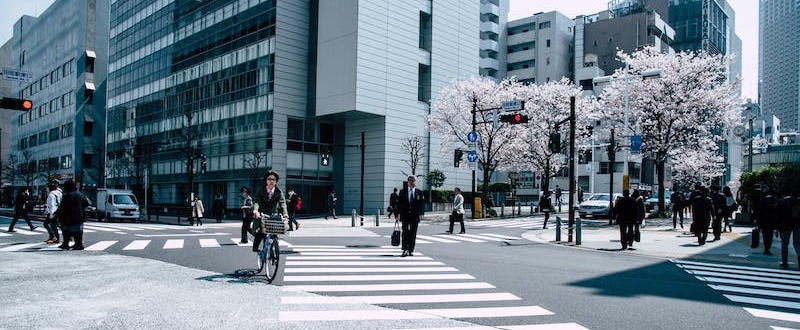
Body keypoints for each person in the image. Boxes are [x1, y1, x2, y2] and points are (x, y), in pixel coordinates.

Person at [251, 170, 289, 252]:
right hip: (261, 214)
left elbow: (282, 203)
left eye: (273, 179)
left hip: (273, 214)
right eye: (269, 179)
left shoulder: (279, 192)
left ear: (276, 181)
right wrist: (255, 210)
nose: (271, 181)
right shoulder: (260, 190)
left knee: (274, 231)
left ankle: (273, 251)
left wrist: (285, 213)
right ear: (266, 181)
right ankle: (256, 248)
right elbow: (256, 201)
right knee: (260, 232)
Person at [396, 175, 424, 257]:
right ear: (408, 182)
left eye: (413, 181)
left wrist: (421, 213)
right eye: (410, 181)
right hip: (405, 215)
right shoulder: (402, 191)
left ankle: (411, 249)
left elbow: (422, 204)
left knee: (413, 232)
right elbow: (398, 204)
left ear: (415, 182)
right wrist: (397, 214)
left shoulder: (419, 192)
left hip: (415, 216)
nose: (412, 182)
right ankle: (405, 249)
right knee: (405, 232)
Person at [54, 180, 85, 250]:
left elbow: (64, 206)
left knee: (66, 230)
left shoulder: (68, 195)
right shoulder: (79, 194)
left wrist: (57, 213)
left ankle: (66, 244)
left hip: (69, 216)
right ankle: (79, 244)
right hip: (79, 215)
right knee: (78, 231)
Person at [776, 189, 800, 269]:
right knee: (797, 244)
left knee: (784, 244)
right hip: (797, 225)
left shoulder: (781, 202)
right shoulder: (796, 200)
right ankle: (799, 258)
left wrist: (777, 229)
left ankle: (785, 262)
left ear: (782, 195)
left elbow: (778, 217)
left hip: (784, 226)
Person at [756, 188, 777, 255]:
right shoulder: (774, 201)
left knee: (765, 235)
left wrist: (758, 222)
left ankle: (766, 248)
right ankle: (768, 248)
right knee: (770, 235)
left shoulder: (761, 201)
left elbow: (758, 212)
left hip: (763, 221)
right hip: (771, 221)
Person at [43, 180, 63, 245]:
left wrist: (51, 213)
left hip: (53, 212)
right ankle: (56, 238)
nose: (46, 190)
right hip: (58, 211)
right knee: (53, 225)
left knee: (46, 224)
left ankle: (53, 237)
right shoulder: (59, 192)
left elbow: (51, 205)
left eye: (47, 188)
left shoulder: (51, 195)